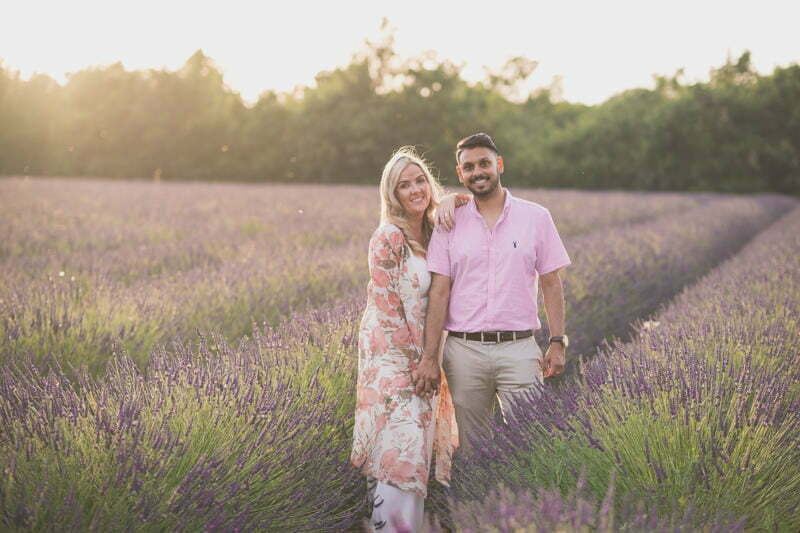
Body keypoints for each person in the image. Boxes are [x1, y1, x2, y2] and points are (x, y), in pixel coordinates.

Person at [413, 132, 571, 452]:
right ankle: (475, 488)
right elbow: (439, 292)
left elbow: (551, 282)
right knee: (472, 449)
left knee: (530, 446)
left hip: (519, 350)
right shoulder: (448, 221)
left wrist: (557, 342)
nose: (478, 172)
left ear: (499, 165)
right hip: (464, 353)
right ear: (460, 174)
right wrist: (429, 357)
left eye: (484, 163)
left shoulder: (536, 217)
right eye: (469, 167)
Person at [351, 147, 464, 532]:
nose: (415, 189)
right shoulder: (388, 236)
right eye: (405, 185)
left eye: (420, 181)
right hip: (392, 358)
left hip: (425, 355)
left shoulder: (434, 231)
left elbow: (473, 202)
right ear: (392, 193)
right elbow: (387, 309)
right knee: (400, 448)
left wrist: (450, 199)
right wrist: (420, 363)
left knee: (416, 450)